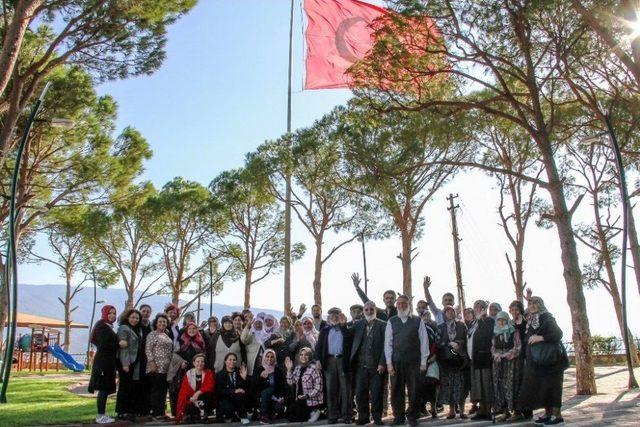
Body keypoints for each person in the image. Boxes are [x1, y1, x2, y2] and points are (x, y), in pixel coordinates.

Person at [518, 297, 568, 426]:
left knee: (553, 388)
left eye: (535, 303)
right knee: (544, 389)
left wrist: (541, 337)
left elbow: (558, 333)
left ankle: (557, 416)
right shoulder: (532, 320)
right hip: (539, 362)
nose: (532, 305)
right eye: (530, 303)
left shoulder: (546, 317)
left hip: (551, 361)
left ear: (541, 304)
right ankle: (548, 414)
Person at [384, 294, 429, 427]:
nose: (401, 306)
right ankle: (399, 417)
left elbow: (424, 342)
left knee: (414, 390)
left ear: (409, 305)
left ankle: (412, 416)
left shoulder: (417, 321)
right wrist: (389, 363)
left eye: (404, 303)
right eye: (399, 304)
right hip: (396, 362)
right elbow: (388, 344)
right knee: (396, 390)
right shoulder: (392, 321)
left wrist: (423, 362)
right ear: (396, 305)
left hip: (414, 362)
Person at [350, 300, 387, 426]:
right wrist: (343, 325)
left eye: (372, 309)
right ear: (363, 311)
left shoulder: (383, 325)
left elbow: (386, 347)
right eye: (366, 310)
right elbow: (347, 335)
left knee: (377, 394)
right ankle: (363, 417)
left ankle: (377, 418)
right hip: (361, 366)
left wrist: (383, 363)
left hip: (377, 366)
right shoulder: (359, 324)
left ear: (375, 311)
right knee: (360, 393)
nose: (369, 311)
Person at [315, 307, 353, 424]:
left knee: (346, 389)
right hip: (329, 361)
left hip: (343, 361)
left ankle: (347, 415)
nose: (334, 317)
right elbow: (318, 347)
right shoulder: (325, 330)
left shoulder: (346, 329)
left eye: (336, 314)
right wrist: (317, 359)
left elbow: (349, 340)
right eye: (331, 315)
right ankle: (332, 415)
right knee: (331, 389)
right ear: (328, 317)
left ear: (341, 315)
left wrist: (343, 326)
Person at [168, 322, 206, 417]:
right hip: (183, 369)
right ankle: (183, 412)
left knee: (195, 390)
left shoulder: (200, 340)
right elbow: (174, 353)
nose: (192, 330)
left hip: (196, 369)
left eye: (194, 328)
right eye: (190, 329)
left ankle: (195, 412)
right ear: (186, 330)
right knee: (183, 391)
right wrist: (181, 361)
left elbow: (204, 353)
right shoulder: (181, 340)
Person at [88, 305, 118, 425]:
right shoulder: (102, 326)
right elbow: (103, 344)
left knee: (105, 388)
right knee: (103, 389)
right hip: (103, 362)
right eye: (110, 313)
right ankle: (100, 415)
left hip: (108, 362)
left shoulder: (107, 326)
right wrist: (118, 344)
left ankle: (102, 414)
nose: (112, 315)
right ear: (105, 313)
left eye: (114, 313)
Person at [436, 305, 467, 419]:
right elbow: (438, 342)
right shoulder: (440, 327)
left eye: (451, 311)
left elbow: (466, 338)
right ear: (444, 314)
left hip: (459, 359)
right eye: (447, 311)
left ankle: (462, 411)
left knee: (461, 385)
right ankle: (452, 411)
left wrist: (458, 344)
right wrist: (449, 344)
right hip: (446, 360)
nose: (449, 313)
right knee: (449, 386)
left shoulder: (461, 325)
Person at [491, 311, 522, 421]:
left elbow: (518, 347)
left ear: (507, 320)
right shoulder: (495, 332)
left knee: (511, 385)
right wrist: (495, 355)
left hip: (511, 362)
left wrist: (505, 355)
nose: (501, 322)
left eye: (504, 319)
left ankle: (517, 412)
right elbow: (492, 347)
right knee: (500, 386)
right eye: (499, 320)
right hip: (498, 362)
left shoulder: (514, 331)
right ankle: (505, 411)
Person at [115, 308, 143, 421]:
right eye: (133, 317)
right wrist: (125, 364)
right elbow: (123, 348)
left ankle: (130, 411)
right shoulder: (124, 328)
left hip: (135, 361)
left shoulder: (137, 329)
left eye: (137, 318)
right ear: (127, 317)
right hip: (126, 362)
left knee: (132, 387)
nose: (135, 319)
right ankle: (121, 412)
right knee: (124, 387)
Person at [468, 300, 495, 420]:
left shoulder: (488, 320)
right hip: (475, 359)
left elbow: (487, 334)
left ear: (484, 309)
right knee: (478, 386)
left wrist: (480, 319)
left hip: (484, 358)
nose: (478, 309)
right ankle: (482, 410)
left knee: (486, 385)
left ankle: (488, 411)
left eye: (481, 307)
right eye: (476, 307)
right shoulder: (474, 323)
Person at [145, 313, 174, 420]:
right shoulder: (152, 334)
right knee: (156, 391)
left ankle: (162, 411)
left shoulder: (166, 335)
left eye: (164, 322)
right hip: (155, 367)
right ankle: (156, 412)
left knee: (163, 391)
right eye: (160, 321)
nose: (162, 323)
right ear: (156, 323)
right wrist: (152, 363)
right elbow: (148, 349)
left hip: (166, 369)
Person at [285, 348, 323, 423]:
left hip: (311, 400)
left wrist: (307, 395)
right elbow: (291, 382)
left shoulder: (314, 368)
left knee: (301, 418)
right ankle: (311, 413)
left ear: (310, 356)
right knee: (291, 417)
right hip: (300, 399)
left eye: (306, 355)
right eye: (301, 355)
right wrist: (289, 370)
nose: (303, 357)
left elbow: (319, 388)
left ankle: (315, 411)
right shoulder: (298, 368)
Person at [176, 353, 215, 424]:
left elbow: (209, 386)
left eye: (202, 361)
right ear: (194, 363)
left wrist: (198, 393)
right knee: (189, 407)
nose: (200, 363)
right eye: (198, 361)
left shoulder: (208, 372)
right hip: (191, 399)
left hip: (203, 399)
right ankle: (193, 415)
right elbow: (184, 390)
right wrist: (192, 399)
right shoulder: (188, 373)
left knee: (209, 395)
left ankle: (204, 415)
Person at [216, 353, 251, 425]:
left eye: (234, 360)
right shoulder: (219, 374)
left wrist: (244, 378)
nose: (232, 362)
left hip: (238, 398)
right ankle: (231, 416)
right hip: (226, 398)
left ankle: (243, 416)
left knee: (240, 395)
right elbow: (219, 391)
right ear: (225, 361)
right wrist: (234, 391)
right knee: (228, 409)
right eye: (230, 360)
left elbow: (245, 389)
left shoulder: (240, 371)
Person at [509, 300, 529, 421]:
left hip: (524, 356)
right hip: (513, 357)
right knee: (514, 383)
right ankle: (517, 410)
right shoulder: (510, 323)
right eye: (512, 309)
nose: (514, 312)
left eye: (516, 309)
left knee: (524, 383)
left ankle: (526, 410)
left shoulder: (525, 322)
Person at [253, 349, 287, 423]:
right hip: (262, 398)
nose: (269, 359)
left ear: (274, 358)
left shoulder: (277, 370)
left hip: (275, 397)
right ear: (264, 358)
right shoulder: (259, 370)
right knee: (267, 390)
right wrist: (261, 377)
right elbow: (254, 387)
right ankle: (264, 415)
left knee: (279, 408)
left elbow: (282, 386)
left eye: (272, 357)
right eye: (267, 356)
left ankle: (268, 414)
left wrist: (282, 397)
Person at [420, 310, 440, 419]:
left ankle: (434, 408)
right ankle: (421, 407)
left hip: (432, 359)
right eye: (424, 315)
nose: (426, 317)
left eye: (428, 315)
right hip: (421, 360)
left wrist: (435, 355)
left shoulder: (433, 328)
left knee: (433, 384)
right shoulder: (418, 328)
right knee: (421, 385)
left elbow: (437, 343)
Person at [138, 304, 153, 418]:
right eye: (144, 311)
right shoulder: (136, 325)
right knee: (138, 384)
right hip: (138, 359)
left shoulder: (151, 327)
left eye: (148, 311)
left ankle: (146, 409)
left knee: (147, 385)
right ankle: (137, 409)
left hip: (149, 359)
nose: (146, 313)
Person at [462, 308, 475, 415]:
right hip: (467, 359)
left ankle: (478, 405)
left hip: (476, 358)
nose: (467, 315)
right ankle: (474, 404)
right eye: (465, 314)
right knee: (470, 384)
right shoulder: (464, 327)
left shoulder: (476, 324)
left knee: (476, 382)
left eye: (469, 313)